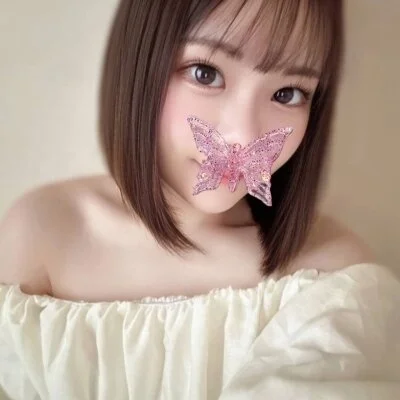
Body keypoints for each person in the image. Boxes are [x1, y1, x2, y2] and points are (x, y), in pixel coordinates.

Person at [0, 0, 399, 399]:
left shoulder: (335, 280)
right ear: (141, 59)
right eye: (205, 74)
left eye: (287, 93)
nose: (243, 136)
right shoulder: (40, 238)